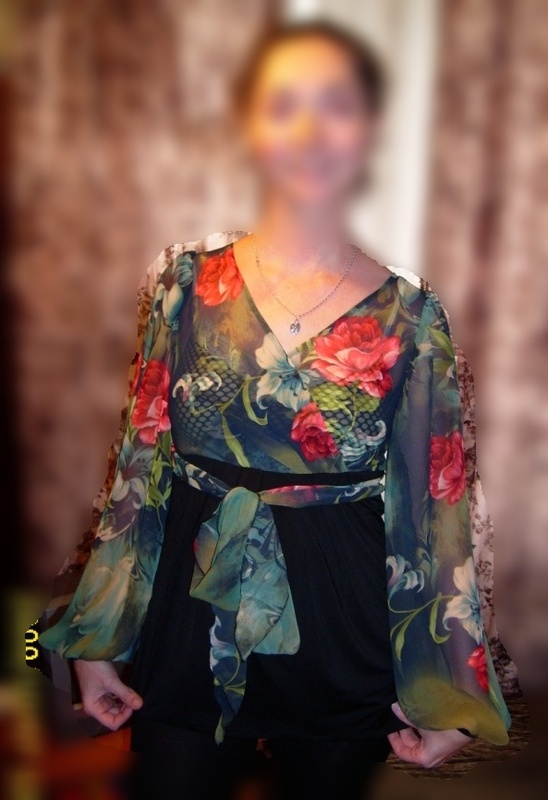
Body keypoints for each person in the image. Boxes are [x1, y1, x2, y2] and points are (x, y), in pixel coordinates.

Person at [38, 18, 511, 800]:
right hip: (190, 613)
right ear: (251, 127)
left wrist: (449, 692)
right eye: (284, 104)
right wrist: (97, 639)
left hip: (342, 625)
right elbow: (139, 471)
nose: (310, 130)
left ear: (368, 131)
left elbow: (437, 511)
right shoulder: (185, 284)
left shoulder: (411, 315)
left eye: (337, 105)